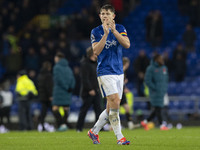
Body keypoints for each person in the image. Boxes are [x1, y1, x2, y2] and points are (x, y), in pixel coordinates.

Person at [88, 4, 130, 145]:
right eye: (102, 13)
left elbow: (127, 44)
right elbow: (96, 51)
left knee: (110, 106)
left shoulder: (121, 28)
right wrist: (106, 34)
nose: (105, 15)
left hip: (119, 72)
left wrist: (113, 31)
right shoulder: (96, 31)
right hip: (105, 72)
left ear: (113, 16)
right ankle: (120, 137)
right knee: (115, 101)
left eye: (107, 13)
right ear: (99, 16)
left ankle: (93, 131)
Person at [76, 47, 102, 132]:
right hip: (87, 92)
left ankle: (99, 128)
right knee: (84, 110)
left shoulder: (96, 63)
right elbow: (84, 79)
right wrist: (90, 89)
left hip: (96, 90)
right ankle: (79, 128)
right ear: (92, 54)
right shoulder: (85, 64)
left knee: (98, 110)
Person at [141, 54, 169, 131]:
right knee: (158, 108)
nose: (162, 60)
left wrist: (164, 88)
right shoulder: (150, 68)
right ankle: (161, 125)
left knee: (157, 108)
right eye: (160, 59)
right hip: (154, 92)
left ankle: (145, 121)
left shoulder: (164, 68)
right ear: (156, 59)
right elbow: (147, 80)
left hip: (162, 92)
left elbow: (166, 79)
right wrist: (155, 88)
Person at [52, 52, 75, 131]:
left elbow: (58, 79)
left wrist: (65, 87)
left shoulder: (56, 67)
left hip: (59, 90)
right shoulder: (68, 68)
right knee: (66, 108)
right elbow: (72, 79)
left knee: (55, 108)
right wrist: (70, 87)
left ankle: (61, 124)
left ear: (58, 58)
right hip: (67, 91)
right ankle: (64, 124)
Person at [37, 61, 53, 131]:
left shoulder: (40, 75)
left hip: (42, 96)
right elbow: (48, 86)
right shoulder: (48, 75)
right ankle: (61, 124)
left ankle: (42, 125)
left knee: (43, 112)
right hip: (47, 97)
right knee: (55, 111)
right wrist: (50, 95)